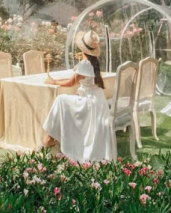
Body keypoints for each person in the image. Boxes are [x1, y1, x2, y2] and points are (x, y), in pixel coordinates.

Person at [41, 30, 116, 162]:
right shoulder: (93, 63)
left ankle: (49, 137)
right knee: (63, 101)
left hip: (89, 103)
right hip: (98, 101)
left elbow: (71, 83)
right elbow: (76, 78)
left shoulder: (84, 64)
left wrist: (54, 81)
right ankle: (52, 136)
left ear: (82, 49)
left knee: (60, 100)